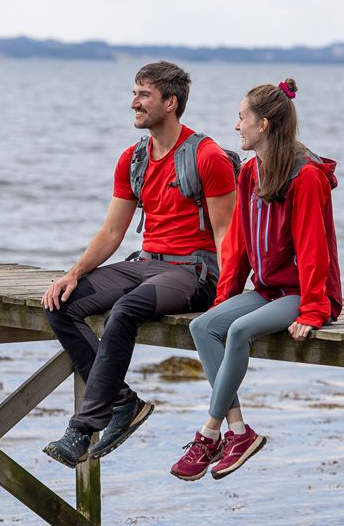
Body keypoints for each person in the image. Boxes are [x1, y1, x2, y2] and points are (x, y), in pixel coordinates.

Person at [41, 61, 237, 468]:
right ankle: (123, 402)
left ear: (171, 102)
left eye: (144, 95)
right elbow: (112, 231)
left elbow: (226, 234)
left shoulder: (208, 156)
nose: (134, 103)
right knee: (60, 303)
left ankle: (83, 427)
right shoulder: (133, 159)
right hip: (146, 264)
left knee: (126, 309)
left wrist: (228, 296)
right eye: (134, 93)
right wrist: (72, 274)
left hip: (195, 272)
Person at [170, 78, 342, 481]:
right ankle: (239, 432)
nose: (236, 126)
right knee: (204, 326)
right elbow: (240, 243)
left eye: (241, 117)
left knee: (239, 331)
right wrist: (226, 297)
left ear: (263, 124)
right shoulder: (250, 172)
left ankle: (208, 433)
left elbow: (314, 249)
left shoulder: (306, 176)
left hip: (303, 293)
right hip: (267, 290)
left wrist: (313, 311)